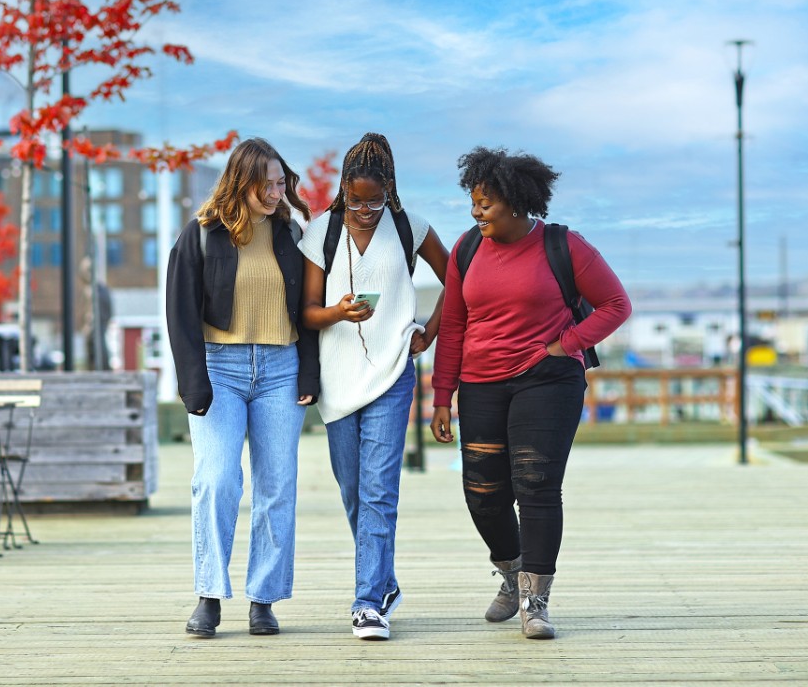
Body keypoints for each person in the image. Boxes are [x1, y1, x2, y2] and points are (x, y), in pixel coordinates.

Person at [430, 146, 631, 640]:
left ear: (517, 204)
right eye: (473, 202)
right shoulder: (467, 249)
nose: (476, 212)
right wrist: (441, 396)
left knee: (535, 485)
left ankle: (535, 600)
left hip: (547, 380)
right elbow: (454, 324)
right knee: (482, 492)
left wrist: (568, 344)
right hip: (480, 383)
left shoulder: (565, 245)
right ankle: (512, 572)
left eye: (485, 203)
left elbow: (615, 304)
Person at [298, 132, 450, 641]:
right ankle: (383, 583)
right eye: (356, 199)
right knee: (354, 493)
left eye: (374, 200)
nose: (365, 209)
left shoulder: (410, 226)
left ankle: (368, 604)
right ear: (342, 189)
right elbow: (308, 313)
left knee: (381, 489)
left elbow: (460, 279)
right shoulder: (321, 231)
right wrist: (338, 312)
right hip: (338, 381)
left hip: (391, 374)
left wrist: (430, 329)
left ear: (391, 191)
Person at [166, 137, 319, 639]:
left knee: (277, 486)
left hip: (280, 367)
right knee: (216, 479)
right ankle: (209, 595)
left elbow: (309, 313)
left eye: (281, 183)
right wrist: (194, 382)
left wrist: (308, 372)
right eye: (268, 184)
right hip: (219, 369)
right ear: (242, 182)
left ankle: (264, 600)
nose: (277, 192)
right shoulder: (202, 234)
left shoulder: (292, 235)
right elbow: (180, 314)